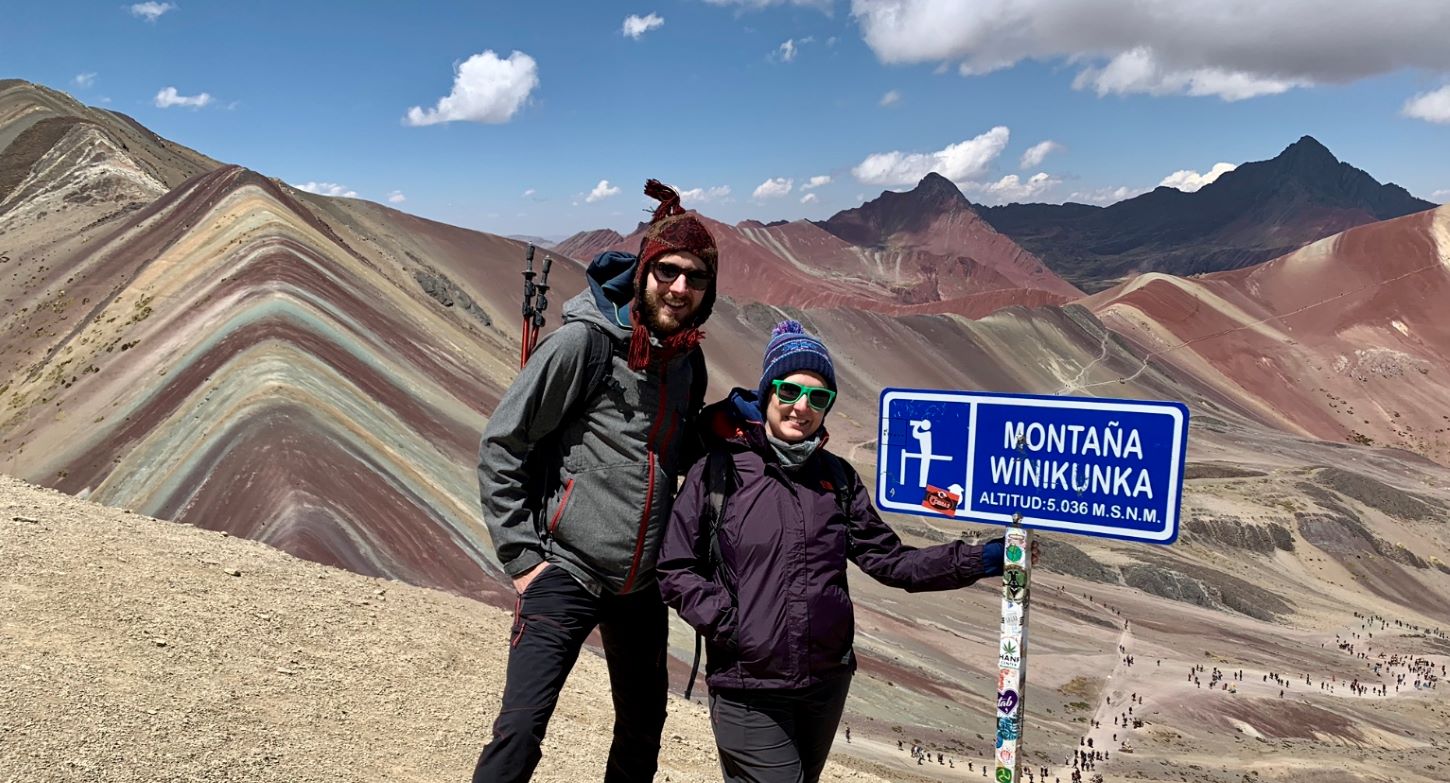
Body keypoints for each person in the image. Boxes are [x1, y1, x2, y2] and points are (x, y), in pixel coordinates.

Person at [659, 320, 1020, 783]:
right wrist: (734, 626)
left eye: (818, 398)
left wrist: (988, 557)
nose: (801, 407)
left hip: (824, 684)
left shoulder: (839, 479)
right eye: (789, 392)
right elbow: (675, 568)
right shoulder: (720, 471)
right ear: (768, 392)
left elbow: (894, 563)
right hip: (749, 684)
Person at [472, 180, 719, 782]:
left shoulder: (687, 361)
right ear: (643, 272)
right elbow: (503, 442)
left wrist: (722, 430)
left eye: (695, 277)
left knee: (642, 732)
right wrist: (524, 559)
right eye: (667, 271)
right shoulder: (582, 344)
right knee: (521, 730)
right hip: (567, 566)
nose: (680, 288)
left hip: (640, 586)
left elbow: (668, 450)